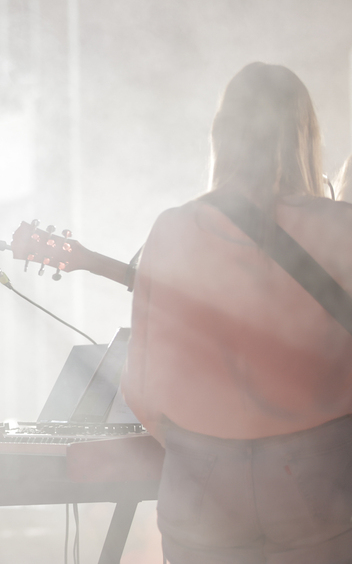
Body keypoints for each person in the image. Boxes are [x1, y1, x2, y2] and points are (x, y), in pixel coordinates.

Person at [122, 62, 352, 563]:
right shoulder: (343, 229)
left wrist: (206, 450)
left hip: (201, 483)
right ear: (304, 137)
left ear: (222, 135)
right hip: (320, 482)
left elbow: (141, 389)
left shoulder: (173, 229)